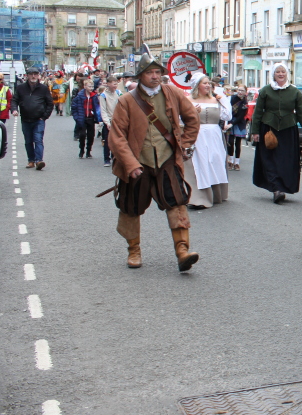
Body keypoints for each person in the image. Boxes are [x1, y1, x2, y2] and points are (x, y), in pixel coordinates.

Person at [107, 50, 200, 272]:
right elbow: (117, 137)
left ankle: (182, 251)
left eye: (158, 72)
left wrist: (184, 143)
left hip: (168, 159)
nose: (155, 76)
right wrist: (131, 165)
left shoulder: (173, 93)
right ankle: (134, 250)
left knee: (177, 202)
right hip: (137, 163)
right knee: (131, 207)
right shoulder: (126, 101)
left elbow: (192, 118)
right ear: (140, 76)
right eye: (150, 73)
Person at [250, 63, 302, 203]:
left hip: (288, 130)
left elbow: (301, 113)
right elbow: (257, 113)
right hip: (268, 129)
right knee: (270, 160)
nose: (281, 74)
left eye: (283, 72)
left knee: (286, 160)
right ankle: (276, 189)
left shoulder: (295, 92)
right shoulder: (265, 91)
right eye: (278, 72)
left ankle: (283, 186)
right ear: (273, 74)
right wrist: (255, 131)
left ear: (287, 74)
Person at [183, 73, 231, 208]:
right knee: (200, 164)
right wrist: (192, 113)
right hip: (197, 134)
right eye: (204, 83)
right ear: (197, 85)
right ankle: (199, 197)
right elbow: (180, 119)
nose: (208, 85)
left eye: (208, 83)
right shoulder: (187, 100)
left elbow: (227, 115)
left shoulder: (216, 100)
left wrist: (224, 100)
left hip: (214, 136)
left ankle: (216, 194)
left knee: (214, 162)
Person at [11, 65, 53, 170]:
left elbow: (50, 103)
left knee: (38, 139)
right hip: (25, 119)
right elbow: (14, 100)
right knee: (28, 141)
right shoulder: (21, 88)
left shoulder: (43, 88)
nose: (33, 76)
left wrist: (44, 116)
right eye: (31, 74)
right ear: (27, 76)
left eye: (35, 74)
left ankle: (39, 160)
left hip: (39, 119)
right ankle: (31, 160)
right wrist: (14, 109)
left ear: (39, 76)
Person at [72, 79, 102, 158]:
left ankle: (88, 151)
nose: (91, 88)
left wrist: (97, 117)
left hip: (91, 118)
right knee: (82, 135)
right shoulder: (80, 96)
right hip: (82, 117)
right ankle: (81, 150)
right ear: (85, 86)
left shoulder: (94, 96)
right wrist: (76, 118)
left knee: (91, 135)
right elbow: (74, 107)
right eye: (89, 86)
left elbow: (97, 107)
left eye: (92, 86)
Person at [99, 75, 124, 166]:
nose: (115, 86)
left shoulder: (118, 92)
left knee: (116, 140)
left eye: (116, 84)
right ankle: (106, 159)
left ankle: (114, 157)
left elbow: (123, 104)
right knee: (108, 140)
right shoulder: (103, 96)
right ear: (108, 84)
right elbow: (103, 110)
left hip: (118, 120)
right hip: (109, 120)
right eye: (114, 84)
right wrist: (107, 122)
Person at [227, 84, 250, 170]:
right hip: (230, 120)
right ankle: (230, 161)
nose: (240, 92)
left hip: (239, 123)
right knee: (230, 142)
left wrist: (232, 123)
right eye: (239, 90)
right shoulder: (232, 98)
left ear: (245, 92)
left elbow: (241, 116)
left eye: (242, 90)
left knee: (238, 143)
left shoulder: (245, 102)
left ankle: (236, 162)